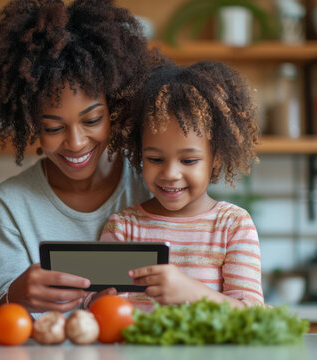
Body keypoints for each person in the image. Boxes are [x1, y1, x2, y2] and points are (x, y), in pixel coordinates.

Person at [0, 0, 161, 313]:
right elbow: (6, 316)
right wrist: (14, 295)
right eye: (53, 127)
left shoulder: (152, 184)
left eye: (92, 120)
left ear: (115, 108)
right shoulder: (11, 204)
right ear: (31, 123)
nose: (75, 143)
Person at [99, 61, 264, 311]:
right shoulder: (124, 228)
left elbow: (253, 314)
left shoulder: (232, 225)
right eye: (155, 159)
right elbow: (107, 312)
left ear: (216, 157)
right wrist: (97, 299)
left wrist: (191, 292)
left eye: (188, 160)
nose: (170, 174)